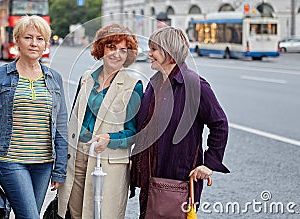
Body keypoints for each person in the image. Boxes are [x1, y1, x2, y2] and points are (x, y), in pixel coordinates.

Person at [130, 26, 230, 219]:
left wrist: (210, 163)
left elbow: (219, 123)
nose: (148, 53)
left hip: (178, 179)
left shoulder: (195, 85)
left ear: (169, 53)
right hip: (151, 176)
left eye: (154, 50)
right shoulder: (154, 83)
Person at [0, 15, 68, 219]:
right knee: (30, 217)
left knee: (27, 215)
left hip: (43, 163)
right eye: (28, 37)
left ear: (46, 43)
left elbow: (61, 125)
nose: (34, 43)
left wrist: (60, 168)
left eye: (40, 38)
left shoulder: (54, 79)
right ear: (17, 40)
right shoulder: (0, 76)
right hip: (8, 159)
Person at [58, 24, 143, 219]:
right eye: (112, 47)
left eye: (123, 50)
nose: (117, 55)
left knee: (102, 214)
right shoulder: (86, 78)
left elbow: (134, 132)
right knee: (75, 213)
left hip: (106, 161)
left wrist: (109, 138)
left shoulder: (134, 86)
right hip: (77, 158)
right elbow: (73, 121)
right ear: (101, 48)